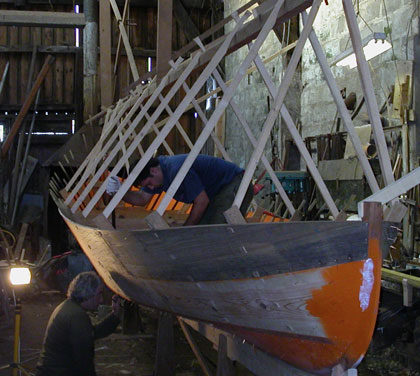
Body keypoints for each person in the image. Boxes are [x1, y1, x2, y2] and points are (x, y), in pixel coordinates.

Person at [106, 154, 253, 226]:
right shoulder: (157, 177)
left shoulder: (176, 170)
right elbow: (142, 199)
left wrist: (185, 229)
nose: (150, 188)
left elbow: (201, 202)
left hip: (235, 184)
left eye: (149, 183)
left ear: (154, 171)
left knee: (218, 230)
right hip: (216, 193)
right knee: (202, 230)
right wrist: (120, 192)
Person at [36, 271, 121, 376]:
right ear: (88, 294)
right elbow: (84, 361)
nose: (101, 300)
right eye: (99, 294)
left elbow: (92, 333)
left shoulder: (68, 306)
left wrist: (115, 315)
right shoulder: (77, 316)